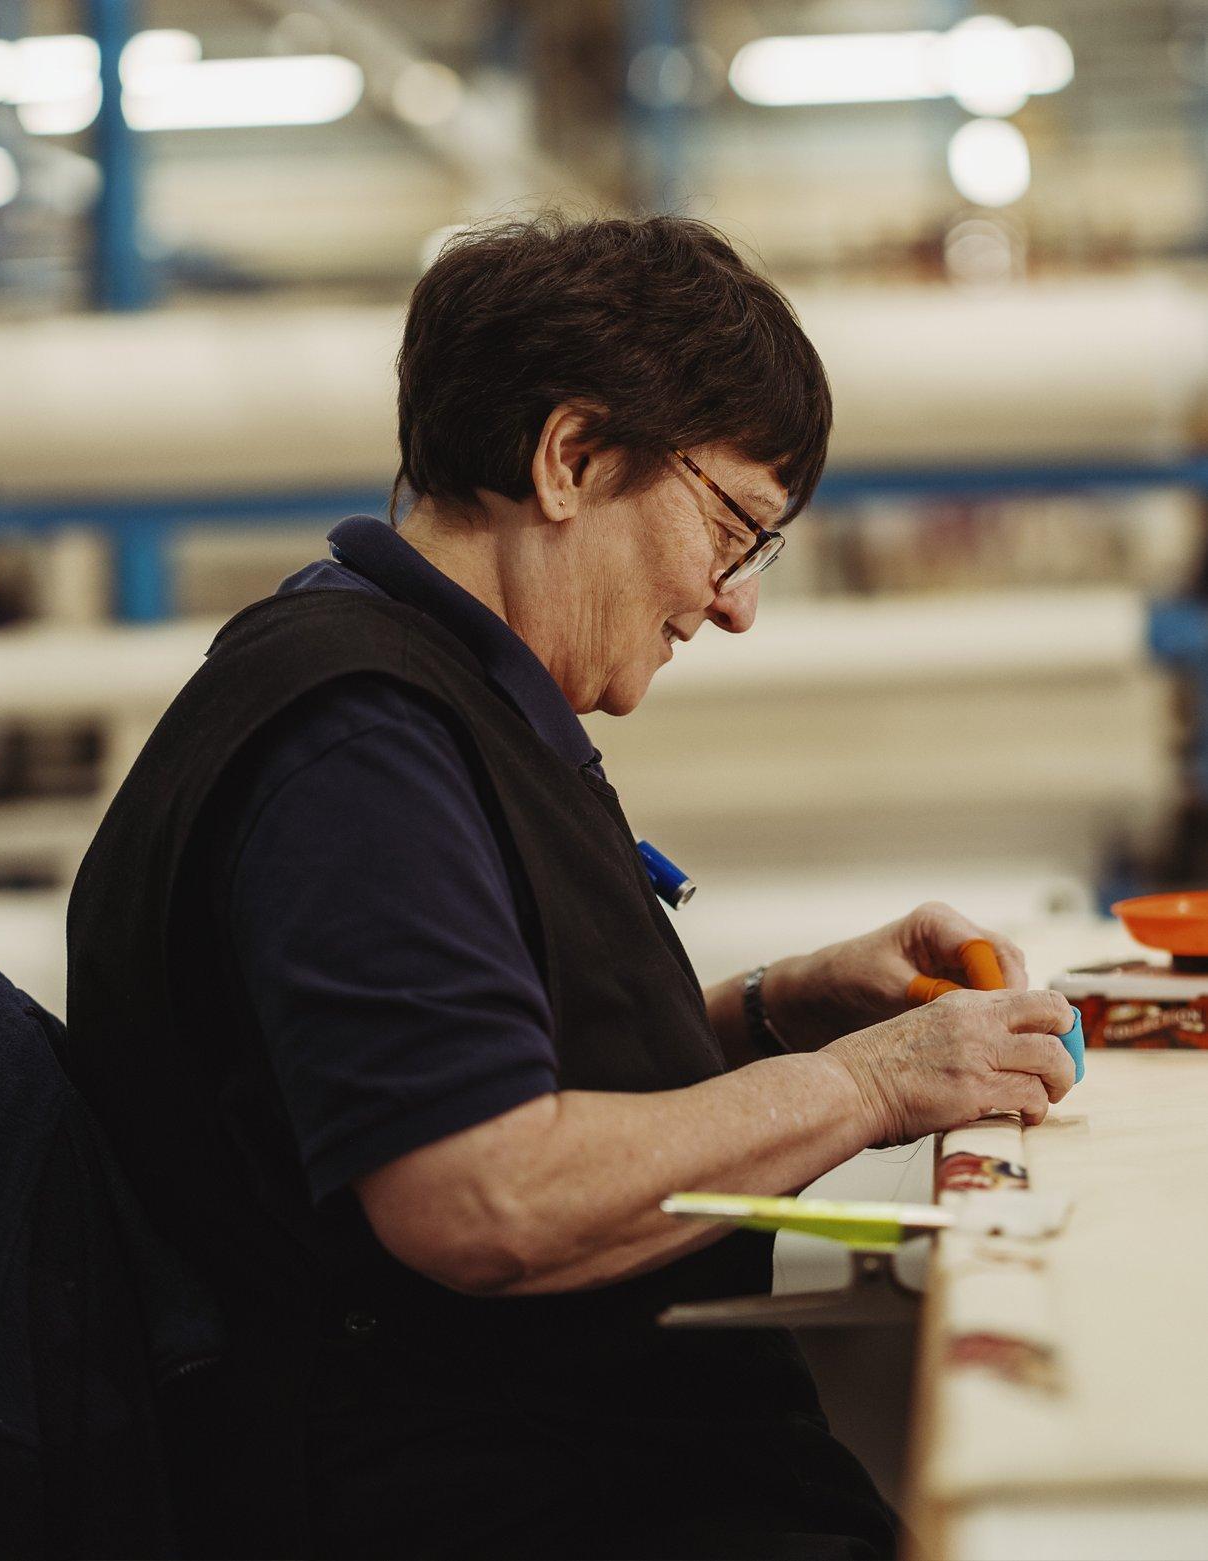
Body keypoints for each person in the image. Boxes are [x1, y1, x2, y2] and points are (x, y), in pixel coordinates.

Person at [65, 214, 1076, 1561]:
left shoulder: (432, 693)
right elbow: (482, 1195)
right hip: (512, 1505)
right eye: (732, 531)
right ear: (571, 457)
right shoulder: (358, 741)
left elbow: (496, 1081)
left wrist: (779, 1012)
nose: (733, 606)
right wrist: (875, 1084)